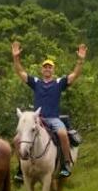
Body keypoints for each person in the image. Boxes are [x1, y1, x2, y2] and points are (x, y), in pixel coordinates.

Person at [11, 41, 87, 178]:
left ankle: (65, 164)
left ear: (53, 70)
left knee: (63, 134)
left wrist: (80, 60)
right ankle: (21, 168)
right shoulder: (36, 82)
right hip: (37, 119)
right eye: (45, 67)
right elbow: (20, 72)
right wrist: (16, 58)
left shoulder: (59, 83)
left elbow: (75, 75)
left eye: (50, 67)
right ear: (42, 70)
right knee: (17, 139)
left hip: (53, 118)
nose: (47, 69)